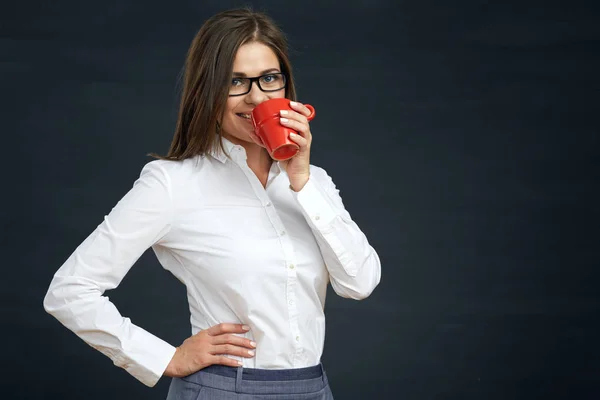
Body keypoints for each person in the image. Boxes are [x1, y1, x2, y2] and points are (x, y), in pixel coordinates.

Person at [43, 7, 381, 400]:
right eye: (236, 81)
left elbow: (360, 283)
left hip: (312, 389)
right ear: (208, 91)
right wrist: (165, 358)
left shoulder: (312, 182)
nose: (257, 98)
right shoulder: (173, 184)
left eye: (270, 78)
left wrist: (302, 182)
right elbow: (69, 291)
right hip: (224, 390)